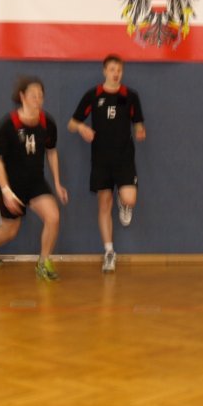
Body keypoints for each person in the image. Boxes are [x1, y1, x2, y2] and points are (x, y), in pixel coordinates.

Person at [0, 76, 69, 281]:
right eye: (33, 95)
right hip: (11, 184)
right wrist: (6, 191)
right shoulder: (9, 124)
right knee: (11, 230)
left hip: (35, 182)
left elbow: (51, 151)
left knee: (53, 217)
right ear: (22, 97)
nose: (38, 99)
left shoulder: (47, 123)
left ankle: (43, 263)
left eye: (40, 95)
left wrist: (57, 183)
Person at [68, 54, 145, 273]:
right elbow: (71, 123)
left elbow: (138, 122)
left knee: (129, 198)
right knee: (104, 204)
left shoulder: (130, 96)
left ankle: (123, 201)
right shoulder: (93, 95)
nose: (116, 73)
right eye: (112, 69)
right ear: (104, 71)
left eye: (119, 70)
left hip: (124, 157)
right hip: (101, 158)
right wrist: (82, 128)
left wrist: (140, 130)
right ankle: (109, 252)